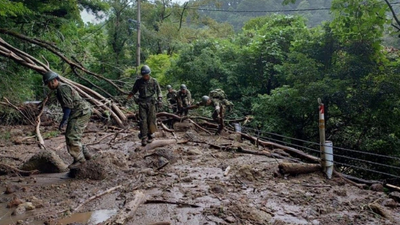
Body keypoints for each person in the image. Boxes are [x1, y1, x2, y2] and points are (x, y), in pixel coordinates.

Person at [43, 70, 92, 168]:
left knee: (71, 136)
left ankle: (80, 160)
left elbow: (68, 106)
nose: (49, 86)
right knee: (73, 135)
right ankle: (86, 156)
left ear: (54, 81)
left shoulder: (62, 88)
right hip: (80, 112)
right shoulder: (61, 88)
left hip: (80, 112)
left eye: (49, 83)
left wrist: (64, 121)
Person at [128, 65, 162, 146]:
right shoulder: (138, 82)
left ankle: (150, 135)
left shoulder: (154, 81)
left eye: (146, 75)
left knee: (151, 119)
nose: (145, 77)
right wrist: (130, 96)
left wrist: (160, 99)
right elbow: (134, 90)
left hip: (151, 103)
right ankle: (144, 137)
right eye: (144, 75)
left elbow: (159, 91)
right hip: (142, 102)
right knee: (143, 120)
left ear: (149, 74)